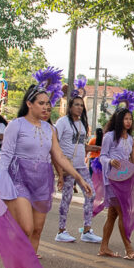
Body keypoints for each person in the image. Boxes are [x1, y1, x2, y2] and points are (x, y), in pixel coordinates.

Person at [0, 70, 92, 268]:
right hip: (19, 179)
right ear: (29, 104)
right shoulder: (16, 125)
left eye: (48, 104)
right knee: (26, 227)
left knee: (37, 231)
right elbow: (5, 156)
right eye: (41, 103)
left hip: (42, 181)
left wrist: (80, 177)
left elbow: (60, 156)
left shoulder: (49, 129)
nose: (46, 107)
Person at [93, 96, 134, 258]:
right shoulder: (109, 136)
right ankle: (129, 249)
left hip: (125, 180)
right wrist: (110, 161)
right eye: (125, 118)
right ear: (119, 119)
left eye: (130, 119)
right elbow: (102, 156)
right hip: (111, 180)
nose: (128, 121)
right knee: (123, 213)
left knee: (113, 215)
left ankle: (104, 248)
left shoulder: (131, 140)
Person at [53, 93, 98, 243]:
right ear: (70, 106)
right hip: (68, 166)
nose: (79, 108)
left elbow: (81, 145)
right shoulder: (62, 122)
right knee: (67, 197)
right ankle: (61, 231)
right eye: (76, 105)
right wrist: (60, 171)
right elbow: (54, 145)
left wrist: (98, 147)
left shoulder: (81, 124)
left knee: (91, 194)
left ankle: (87, 230)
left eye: (81, 105)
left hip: (81, 166)